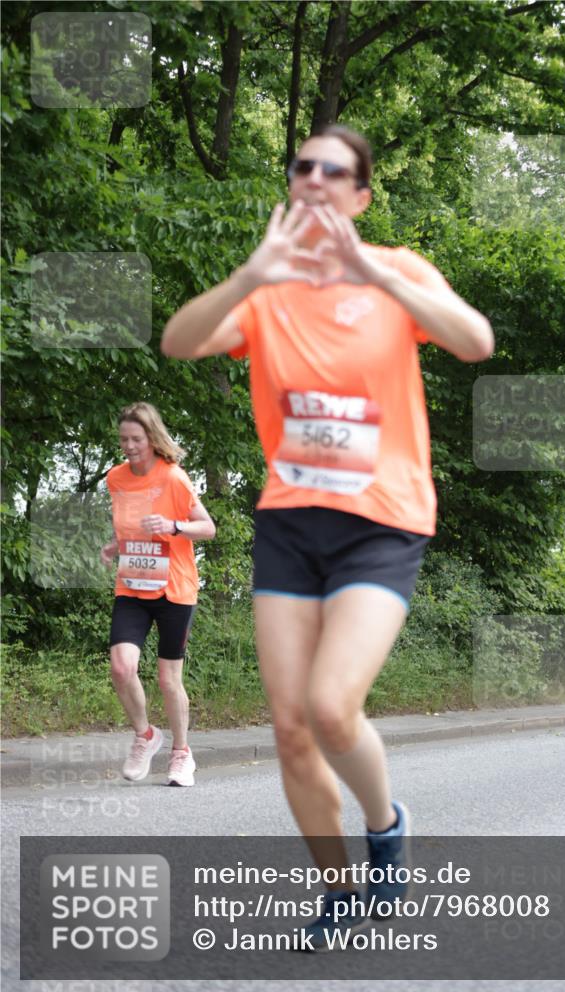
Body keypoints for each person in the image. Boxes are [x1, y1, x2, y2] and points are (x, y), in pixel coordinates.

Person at [161, 125, 494, 941]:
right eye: (300, 166)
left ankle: (383, 824)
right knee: (288, 726)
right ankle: (340, 892)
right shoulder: (267, 291)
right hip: (290, 521)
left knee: (330, 707)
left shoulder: (399, 271)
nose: (312, 178)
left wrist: (371, 270)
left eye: (332, 170)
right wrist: (253, 270)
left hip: (382, 521)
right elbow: (178, 345)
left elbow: (474, 341)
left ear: (359, 195)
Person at [101, 402, 216, 787]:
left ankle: (182, 754)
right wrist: (115, 546)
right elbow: (131, 526)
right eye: (124, 439)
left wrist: (173, 525)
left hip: (174, 589)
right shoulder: (115, 478)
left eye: (136, 438)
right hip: (132, 584)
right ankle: (145, 735)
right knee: (121, 667)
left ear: (151, 438)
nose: (129, 445)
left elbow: (208, 528)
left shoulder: (174, 478)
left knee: (169, 680)